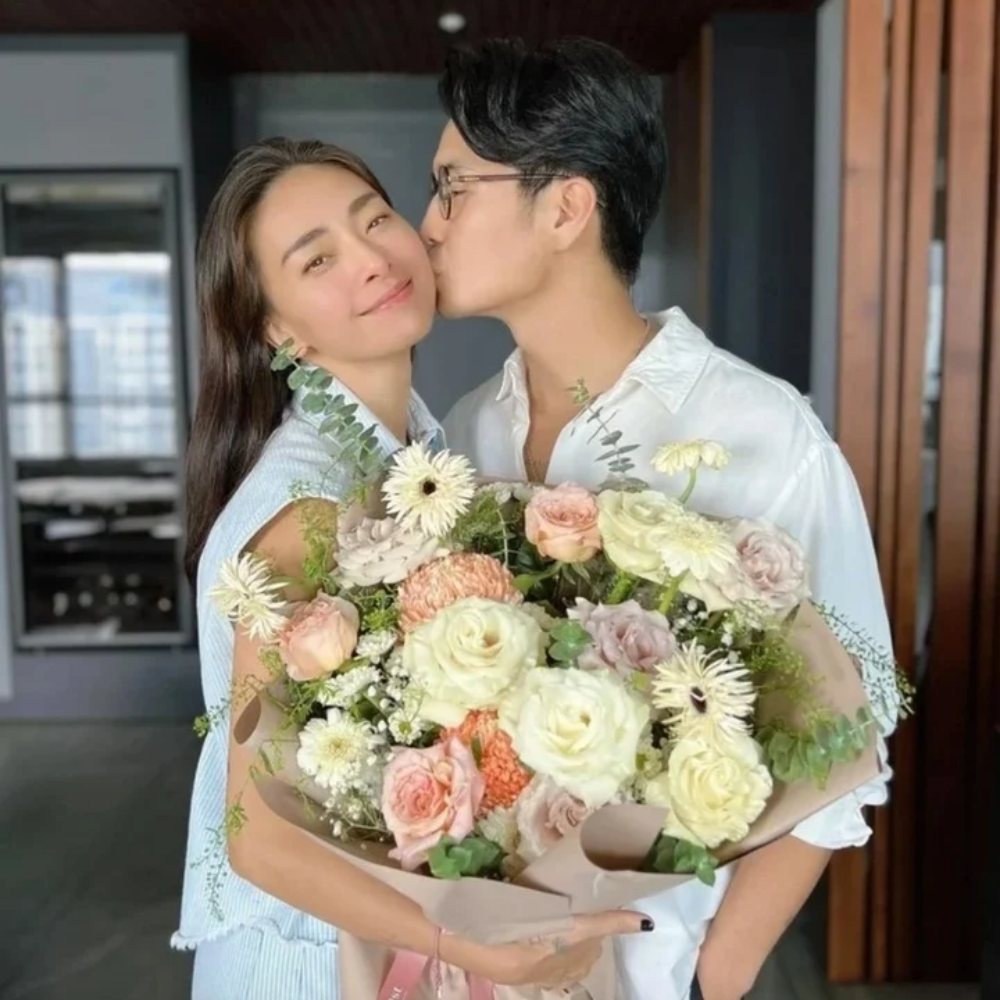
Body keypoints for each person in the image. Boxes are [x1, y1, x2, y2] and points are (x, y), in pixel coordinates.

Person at [423, 38, 898, 1000]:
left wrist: (715, 973)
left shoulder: (759, 431)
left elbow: (855, 734)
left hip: (657, 968)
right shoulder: (468, 430)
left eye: (452, 188)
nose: (426, 225)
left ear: (566, 207)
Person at [172, 137, 649, 999]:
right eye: (318, 259)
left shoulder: (416, 455)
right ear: (278, 330)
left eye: (374, 220)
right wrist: (473, 947)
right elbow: (257, 838)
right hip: (304, 964)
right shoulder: (305, 504)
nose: (372, 259)